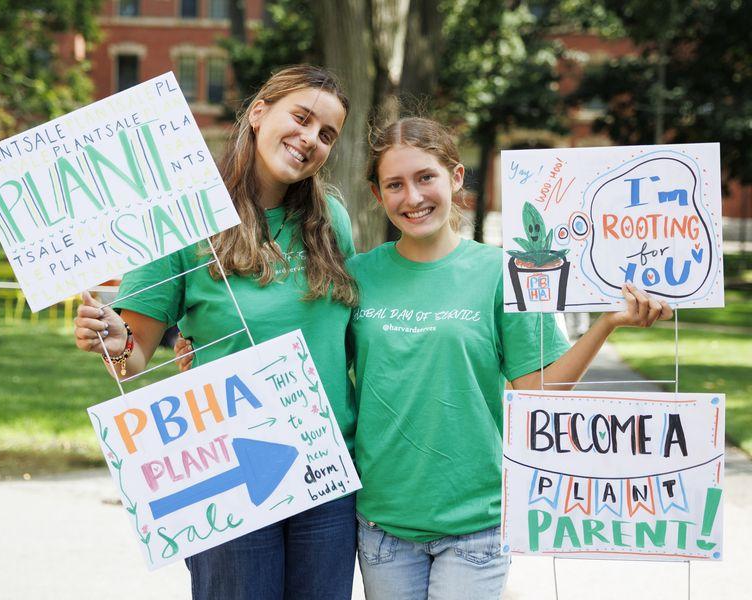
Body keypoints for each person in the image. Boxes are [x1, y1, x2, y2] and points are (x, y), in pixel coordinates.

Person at [346, 117, 672, 600]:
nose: (412, 197)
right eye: (395, 184)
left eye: (425, 177)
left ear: (456, 177)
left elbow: (539, 391)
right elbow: (321, 368)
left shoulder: (504, 273)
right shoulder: (356, 276)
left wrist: (606, 323)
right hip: (382, 524)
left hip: (475, 526)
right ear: (378, 195)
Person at [74, 65, 358, 600]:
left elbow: (347, 350)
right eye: (300, 118)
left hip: (326, 473)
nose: (310, 140)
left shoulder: (332, 221)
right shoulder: (185, 216)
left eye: (327, 134)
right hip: (228, 470)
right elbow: (132, 356)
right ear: (258, 112)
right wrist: (114, 341)